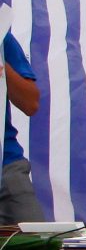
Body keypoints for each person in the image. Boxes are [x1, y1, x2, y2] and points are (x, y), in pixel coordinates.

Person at [0, 24, 39, 225]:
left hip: (6, 165)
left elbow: (31, 103)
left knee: (40, 245)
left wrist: (2, 67)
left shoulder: (1, 36)